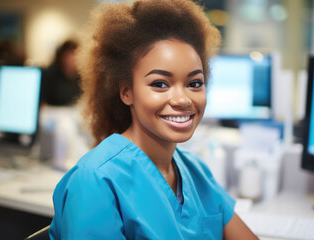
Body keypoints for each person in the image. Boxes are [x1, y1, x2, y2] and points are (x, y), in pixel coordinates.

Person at [49, 0, 258, 239]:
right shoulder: (95, 180)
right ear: (126, 91)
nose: (182, 99)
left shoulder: (196, 171)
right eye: (160, 84)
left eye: (194, 83)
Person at [42, 40, 81, 106]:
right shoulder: (50, 74)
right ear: (62, 56)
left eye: (77, 55)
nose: (74, 59)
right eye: (70, 55)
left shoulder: (81, 77)